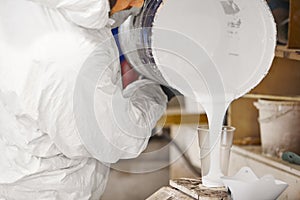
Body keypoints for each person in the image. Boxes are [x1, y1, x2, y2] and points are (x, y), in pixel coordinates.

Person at [0, 0, 168, 199]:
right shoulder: (75, 57)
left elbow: (103, 12)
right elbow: (117, 138)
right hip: (46, 189)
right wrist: (153, 91)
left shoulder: (25, 7)